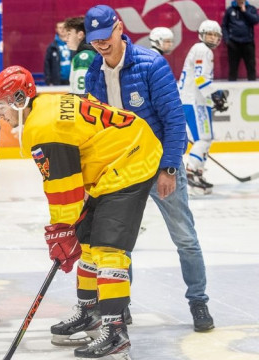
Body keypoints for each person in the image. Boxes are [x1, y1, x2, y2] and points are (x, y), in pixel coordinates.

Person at [0, 65, 162, 360]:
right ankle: (90, 312)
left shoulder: (44, 127)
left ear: (19, 99)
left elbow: (64, 190)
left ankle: (116, 332)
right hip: (113, 161)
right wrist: (69, 231)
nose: (0, 115)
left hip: (130, 160)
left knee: (109, 249)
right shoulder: (46, 106)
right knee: (88, 240)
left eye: (1, 106)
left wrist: (62, 230)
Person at [84, 4, 214, 332]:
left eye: (106, 36)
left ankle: (198, 301)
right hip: (121, 171)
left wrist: (169, 168)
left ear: (118, 28)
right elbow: (94, 128)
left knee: (184, 236)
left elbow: (173, 120)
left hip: (158, 167)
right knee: (117, 243)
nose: (101, 44)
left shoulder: (151, 64)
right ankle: (120, 304)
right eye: (94, 39)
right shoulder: (93, 72)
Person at [179, 20, 228, 194]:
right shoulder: (202, 49)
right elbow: (201, 79)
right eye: (209, 34)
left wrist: (212, 98)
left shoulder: (201, 50)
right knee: (202, 139)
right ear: (201, 35)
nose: (213, 38)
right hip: (194, 101)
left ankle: (198, 172)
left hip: (198, 100)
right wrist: (215, 96)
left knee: (206, 138)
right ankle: (190, 173)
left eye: (216, 35)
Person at [222, 0, 259, 81]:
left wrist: (245, 11)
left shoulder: (251, 8)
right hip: (233, 44)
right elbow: (224, 26)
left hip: (248, 43)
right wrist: (227, 40)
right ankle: (231, 89)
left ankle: (252, 89)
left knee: (251, 68)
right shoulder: (230, 10)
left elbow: (256, 20)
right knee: (233, 69)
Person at [64, 16, 97, 94]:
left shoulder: (83, 58)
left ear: (80, 35)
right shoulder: (91, 53)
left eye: (69, 34)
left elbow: (81, 95)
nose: (66, 39)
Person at [44, 21, 71, 86]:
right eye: (60, 28)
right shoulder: (52, 47)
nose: (62, 29)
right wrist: (49, 81)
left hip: (72, 80)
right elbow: (47, 65)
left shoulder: (74, 44)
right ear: (56, 30)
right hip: (57, 81)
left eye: (64, 27)